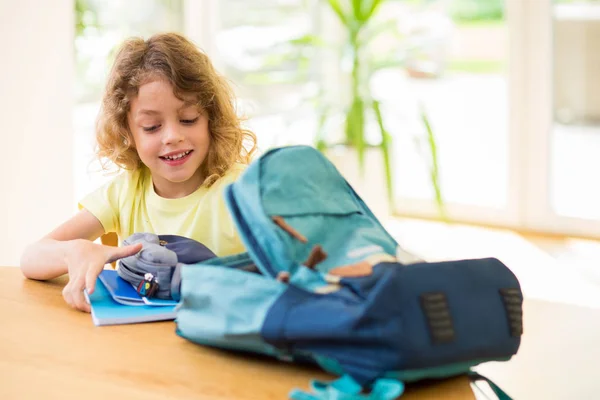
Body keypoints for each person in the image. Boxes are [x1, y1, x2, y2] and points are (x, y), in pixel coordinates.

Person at [20, 32, 257, 313]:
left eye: (188, 119)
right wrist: (74, 251)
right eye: (152, 127)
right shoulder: (124, 192)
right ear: (127, 133)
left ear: (210, 119)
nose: (172, 136)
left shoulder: (244, 189)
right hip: (140, 347)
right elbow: (30, 258)